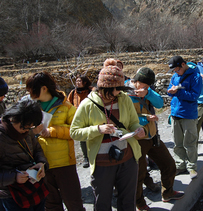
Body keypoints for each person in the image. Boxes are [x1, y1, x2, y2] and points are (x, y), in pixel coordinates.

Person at [70, 58, 146, 211]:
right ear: (105, 87)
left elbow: (133, 122)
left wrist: (138, 129)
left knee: (127, 201)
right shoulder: (88, 104)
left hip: (127, 158)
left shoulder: (124, 99)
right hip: (102, 164)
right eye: (117, 89)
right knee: (103, 202)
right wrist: (97, 129)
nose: (119, 92)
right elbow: (74, 132)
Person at [25, 72, 85, 211]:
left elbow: (77, 131)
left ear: (44, 88)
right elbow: (20, 133)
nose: (29, 93)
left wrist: (53, 131)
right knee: (51, 204)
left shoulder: (67, 107)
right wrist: (32, 132)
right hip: (41, 164)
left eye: (31, 89)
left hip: (64, 163)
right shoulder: (30, 109)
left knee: (73, 202)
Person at [128, 67, 184, 210]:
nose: (145, 87)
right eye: (143, 85)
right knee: (139, 174)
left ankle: (168, 192)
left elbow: (159, 104)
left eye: (148, 86)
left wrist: (148, 93)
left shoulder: (147, 91)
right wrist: (146, 119)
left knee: (169, 164)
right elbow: (127, 120)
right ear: (135, 81)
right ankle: (140, 204)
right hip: (137, 140)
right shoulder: (125, 94)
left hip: (152, 136)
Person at [0, 99, 48, 210]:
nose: (27, 131)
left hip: (34, 188)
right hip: (11, 196)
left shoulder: (27, 130)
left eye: (31, 127)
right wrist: (14, 177)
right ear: (14, 119)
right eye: (27, 127)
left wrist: (42, 164)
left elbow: (37, 149)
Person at [167, 56, 202, 179]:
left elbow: (194, 96)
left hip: (188, 114)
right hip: (175, 113)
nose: (176, 72)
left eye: (177, 70)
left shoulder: (196, 77)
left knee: (190, 142)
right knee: (177, 143)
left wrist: (178, 92)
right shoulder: (175, 76)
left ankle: (192, 167)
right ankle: (180, 165)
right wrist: (170, 91)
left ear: (183, 64)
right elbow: (169, 89)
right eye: (174, 71)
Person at [67, 75, 92, 168]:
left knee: (91, 136)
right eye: (76, 81)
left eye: (79, 81)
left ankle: (93, 155)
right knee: (82, 138)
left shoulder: (90, 92)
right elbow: (68, 104)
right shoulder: (73, 92)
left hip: (89, 117)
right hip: (78, 118)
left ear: (85, 82)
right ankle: (86, 157)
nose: (77, 83)